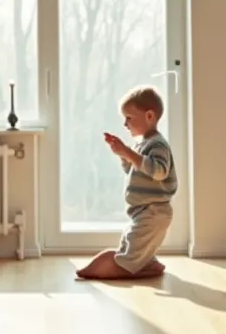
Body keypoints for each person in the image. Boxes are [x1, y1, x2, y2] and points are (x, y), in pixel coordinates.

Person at [76, 85, 177, 280]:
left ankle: (96, 271)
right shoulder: (142, 144)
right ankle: (149, 264)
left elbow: (158, 171)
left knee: (126, 259)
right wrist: (123, 156)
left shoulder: (157, 144)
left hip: (154, 212)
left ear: (149, 116)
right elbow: (134, 172)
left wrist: (128, 152)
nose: (125, 124)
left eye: (129, 118)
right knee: (130, 247)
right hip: (142, 212)